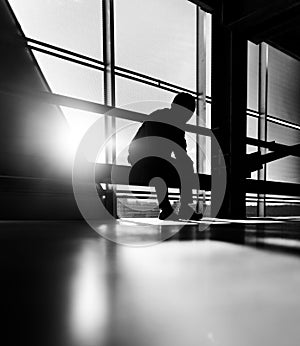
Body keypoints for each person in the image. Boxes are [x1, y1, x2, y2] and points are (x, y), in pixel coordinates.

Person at [127, 92, 203, 221]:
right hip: (141, 157)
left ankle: (173, 208)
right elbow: (155, 147)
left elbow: (179, 152)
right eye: (189, 110)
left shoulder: (173, 122)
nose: (189, 114)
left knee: (180, 163)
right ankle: (169, 208)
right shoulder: (161, 117)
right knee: (163, 163)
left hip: (150, 158)